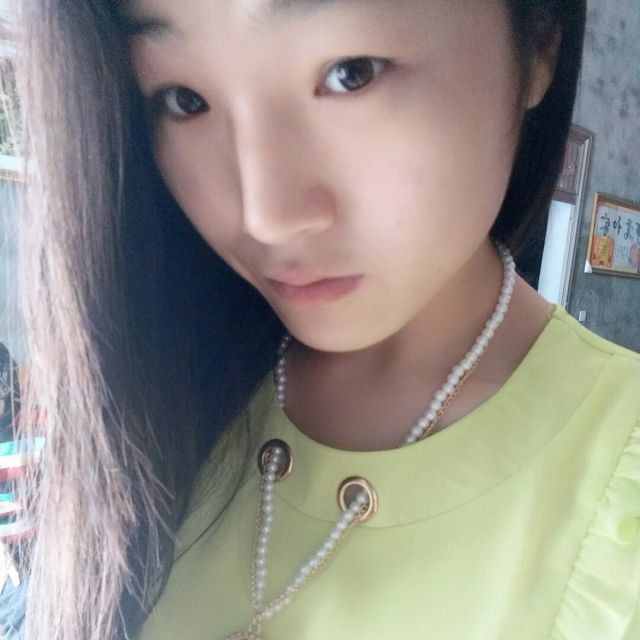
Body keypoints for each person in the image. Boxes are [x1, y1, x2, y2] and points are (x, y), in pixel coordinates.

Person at [4, 0, 639, 638]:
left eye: (351, 73)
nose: (265, 216)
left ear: (538, 45)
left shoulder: (618, 492)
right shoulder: (156, 391)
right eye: (185, 100)